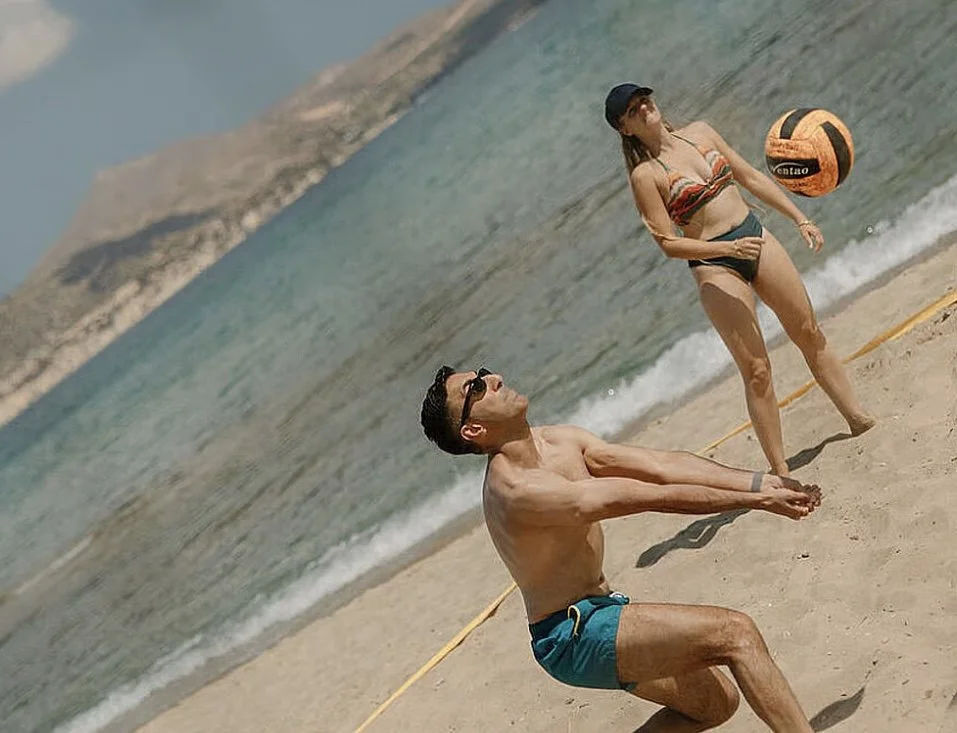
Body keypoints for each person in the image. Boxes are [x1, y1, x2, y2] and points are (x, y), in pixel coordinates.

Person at [420, 366, 822, 732]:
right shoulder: (516, 490)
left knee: (715, 704)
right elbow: (649, 495)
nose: (494, 379)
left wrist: (757, 483)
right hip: (570, 635)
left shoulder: (559, 440)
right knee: (736, 633)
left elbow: (660, 466)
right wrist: (755, 502)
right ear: (473, 430)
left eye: (484, 372)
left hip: (602, 609)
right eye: (476, 387)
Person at [603, 83, 874, 476]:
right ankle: (781, 471)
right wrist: (727, 249)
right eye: (632, 110)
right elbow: (668, 244)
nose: (643, 108)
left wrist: (800, 218)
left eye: (644, 100)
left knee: (809, 332)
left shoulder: (701, 132)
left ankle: (857, 418)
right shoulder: (645, 176)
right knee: (757, 371)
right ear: (625, 128)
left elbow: (749, 176)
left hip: (755, 236)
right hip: (715, 265)